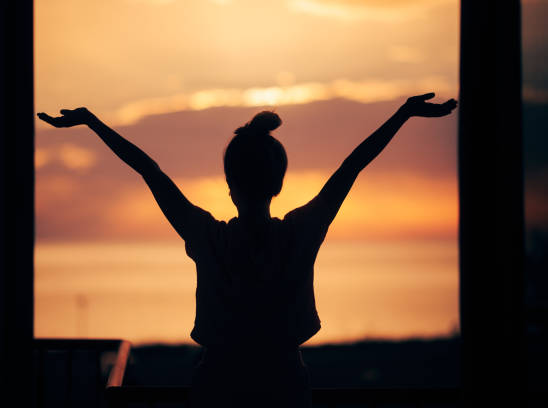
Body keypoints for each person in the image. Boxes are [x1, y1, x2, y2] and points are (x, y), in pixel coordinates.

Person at [38, 93, 457, 407]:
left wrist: (93, 122)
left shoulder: (208, 237)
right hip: (284, 387)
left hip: (217, 387)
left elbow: (150, 171)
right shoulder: (299, 233)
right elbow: (352, 166)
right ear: (278, 184)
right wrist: (403, 114)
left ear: (227, 183)